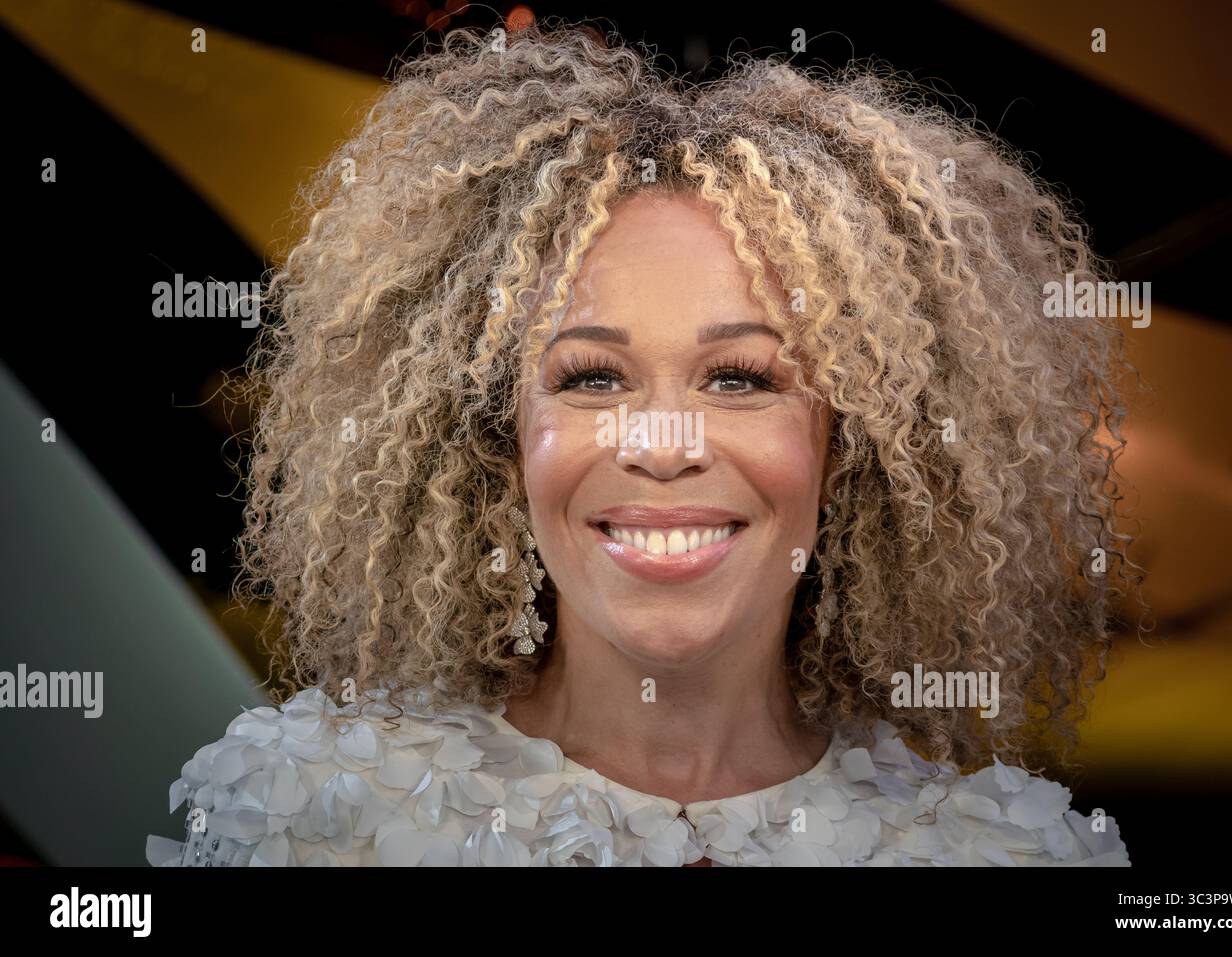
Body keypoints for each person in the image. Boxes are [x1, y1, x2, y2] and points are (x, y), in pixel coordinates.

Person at [146, 20, 1135, 867]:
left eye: (740, 378)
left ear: (855, 445)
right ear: (498, 438)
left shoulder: (996, 857)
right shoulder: (310, 822)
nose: (663, 447)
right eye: (592, 378)